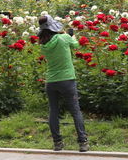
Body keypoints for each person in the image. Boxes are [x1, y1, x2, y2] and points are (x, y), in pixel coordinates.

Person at [38, 15, 88, 152]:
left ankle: (57, 143)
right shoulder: (64, 38)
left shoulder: (43, 44)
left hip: (51, 81)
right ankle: (83, 142)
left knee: (53, 111)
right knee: (75, 111)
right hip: (67, 80)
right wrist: (72, 35)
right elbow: (76, 45)